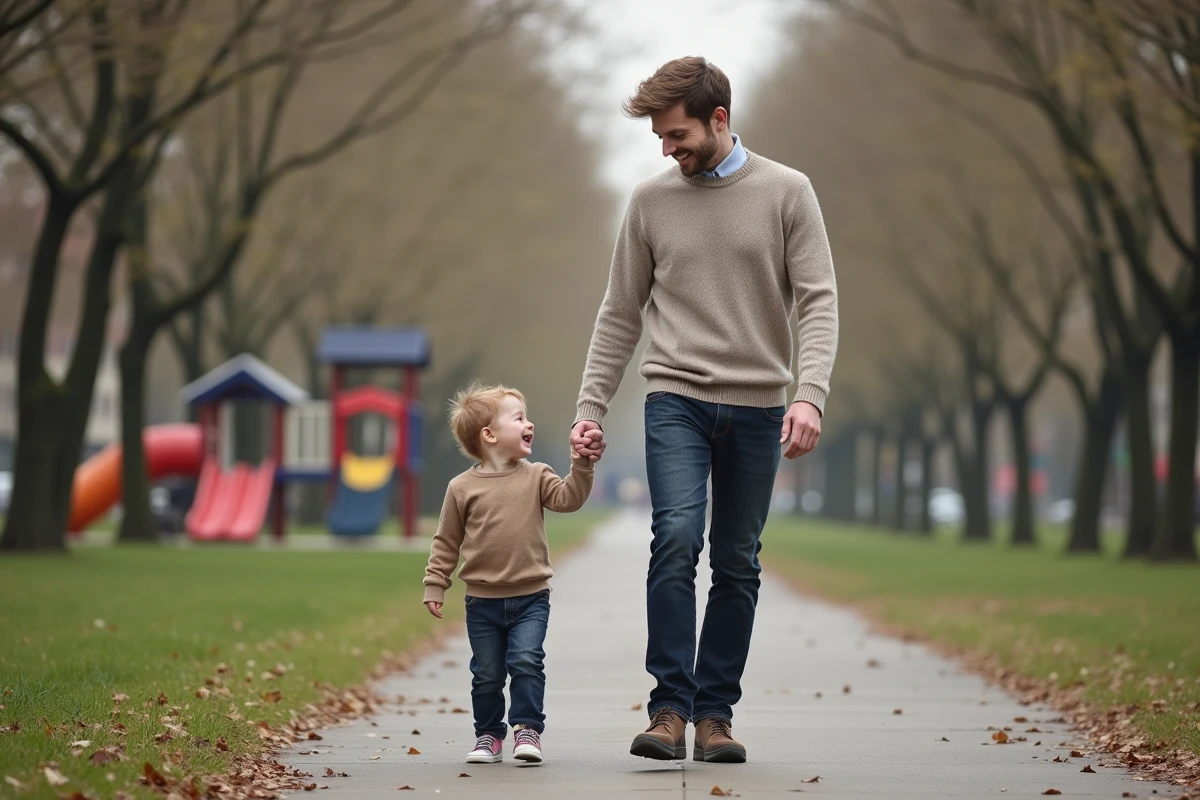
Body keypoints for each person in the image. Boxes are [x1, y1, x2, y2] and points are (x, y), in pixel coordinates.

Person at [570, 56, 839, 764]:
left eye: (677, 133)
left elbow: (817, 299)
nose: (667, 148)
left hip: (758, 403)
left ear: (720, 119)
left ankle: (716, 714)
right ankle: (668, 709)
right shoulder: (650, 203)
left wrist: (810, 394)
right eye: (660, 137)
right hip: (676, 397)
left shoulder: (788, 192)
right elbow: (619, 312)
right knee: (677, 538)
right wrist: (589, 406)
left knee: (738, 562)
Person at [424, 383, 595, 765]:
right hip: (481, 602)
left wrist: (582, 465)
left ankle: (527, 729)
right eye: (519, 418)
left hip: (532, 596)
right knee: (486, 674)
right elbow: (446, 542)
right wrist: (436, 583)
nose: (529, 423)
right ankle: (488, 736)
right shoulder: (461, 488)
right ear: (489, 435)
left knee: (526, 661)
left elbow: (569, 499)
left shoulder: (536, 476)